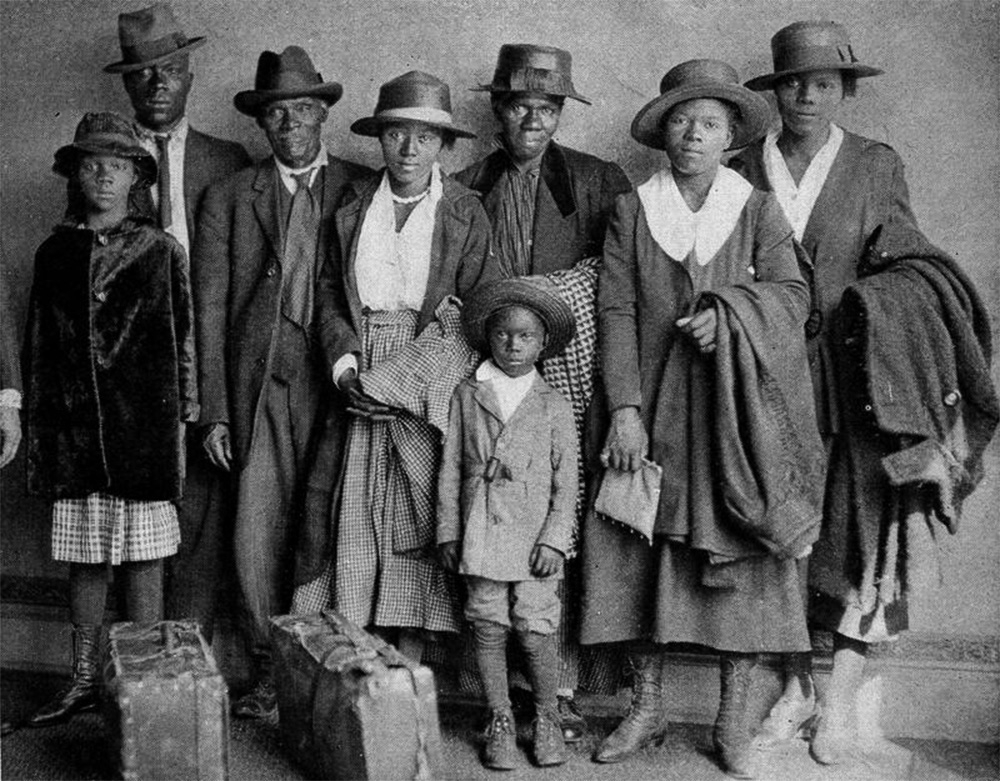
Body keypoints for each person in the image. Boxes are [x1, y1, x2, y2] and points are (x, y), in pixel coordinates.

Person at [730, 21, 985, 765]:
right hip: (769, 379)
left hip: (858, 380)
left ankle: (839, 703)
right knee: (775, 536)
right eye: (792, 83)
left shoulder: (875, 165)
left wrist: (873, 306)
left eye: (822, 83)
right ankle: (795, 688)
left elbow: (911, 261)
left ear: (844, 90)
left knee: (861, 533)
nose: (806, 95)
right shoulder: (744, 167)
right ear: (774, 92)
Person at [580, 60, 827, 778]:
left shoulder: (755, 209)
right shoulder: (634, 207)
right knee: (637, 548)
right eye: (682, 122)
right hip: (652, 407)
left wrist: (733, 318)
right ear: (664, 133)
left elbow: (792, 295)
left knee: (743, 559)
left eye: (710, 124)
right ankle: (646, 704)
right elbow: (616, 306)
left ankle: (731, 721)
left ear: (729, 138)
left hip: (732, 415)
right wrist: (623, 408)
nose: (693, 135)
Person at [457, 41, 632, 744]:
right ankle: (501, 700)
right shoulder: (468, 184)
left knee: (562, 532)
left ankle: (558, 692)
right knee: (493, 524)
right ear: (498, 108)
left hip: (571, 387)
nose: (533, 118)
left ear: (561, 112)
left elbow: (619, 285)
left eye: (548, 106)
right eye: (520, 104)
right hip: (494, 379)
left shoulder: (598, 180)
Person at [193, 46, 370, 720]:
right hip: (259, 382)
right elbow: (209, 308)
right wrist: (213, 409)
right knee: (257, 524)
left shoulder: (361, 185)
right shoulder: (232, 195)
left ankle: (326, 667)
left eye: (301, 108)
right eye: (276, 113)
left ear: (324, 113)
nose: (289, 122)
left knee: (334, 519)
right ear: (261, 125)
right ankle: (269, 666)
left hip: (338, 382)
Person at [22, 112, 196, 728]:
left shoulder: (159, 251)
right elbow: (38, 347)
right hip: (71, 433)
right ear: (75, 176)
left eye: (116, 167)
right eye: (91, 166)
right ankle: (82, 679)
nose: (103, 177)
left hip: (143, 431)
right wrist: (41, 430)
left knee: (145, 557)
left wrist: (182, 418)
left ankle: (143, 681)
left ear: (135, 178)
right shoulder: (55, 253)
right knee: (86, 557)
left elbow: (184, 343)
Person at [312, 71, 493, 655]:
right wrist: (345, 369)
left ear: (444, 146)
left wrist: (408, 379)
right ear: (380, 140)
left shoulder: (466, 210)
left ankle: (410, 663)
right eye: (396, 135)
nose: (409, 150)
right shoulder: (353, 204)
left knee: (419, 513)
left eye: (425, 137)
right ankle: (357, 651)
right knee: (358, 509)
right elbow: (329, 295)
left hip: (429, 373)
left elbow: (476, 309)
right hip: (361, 372)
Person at [104, 1, 251, 641]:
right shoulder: (104, 164)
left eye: (169, 69)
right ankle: (136, 652)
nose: (157, 85)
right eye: (142, 75)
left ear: (190, 72)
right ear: (127, 84)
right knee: (134, 504)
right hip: (131, 361)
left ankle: (189, 653)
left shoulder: (230, 159)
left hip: (208, 347)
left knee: (203, 504)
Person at [438, 277, 578, 769]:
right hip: (481, 530)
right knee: (488, 617)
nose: (513, 345)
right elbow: (451, 467)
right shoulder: (467, 394)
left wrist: (556, 541)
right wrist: (449, 532)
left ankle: (545, 716)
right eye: (503, 335)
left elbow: (568, 486)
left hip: (534, 537)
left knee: (535, 622)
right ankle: (498, 716)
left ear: (543, 344)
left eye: (526, 337)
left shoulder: (555, 405)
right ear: (488, 337)